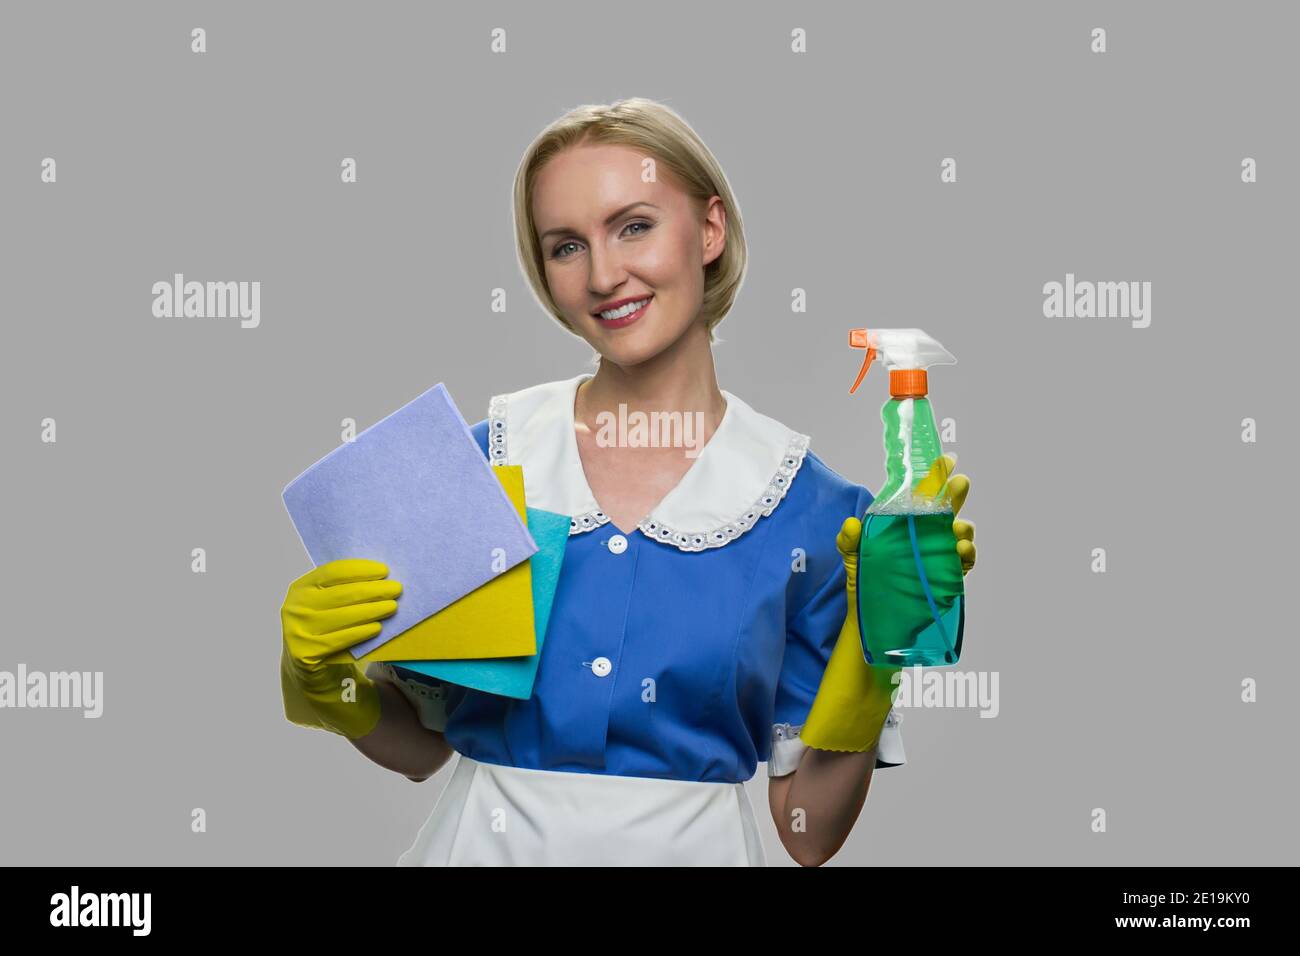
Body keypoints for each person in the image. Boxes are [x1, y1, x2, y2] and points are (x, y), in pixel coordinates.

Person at [279, 98, 976, 866]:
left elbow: (807, 830)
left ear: (709, 230)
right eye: (566, 246)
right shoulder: (483, 468)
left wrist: (879, 658)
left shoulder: (816, 517)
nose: (605, 275)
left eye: (634, 225)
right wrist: (325, 686)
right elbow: (420, 748)